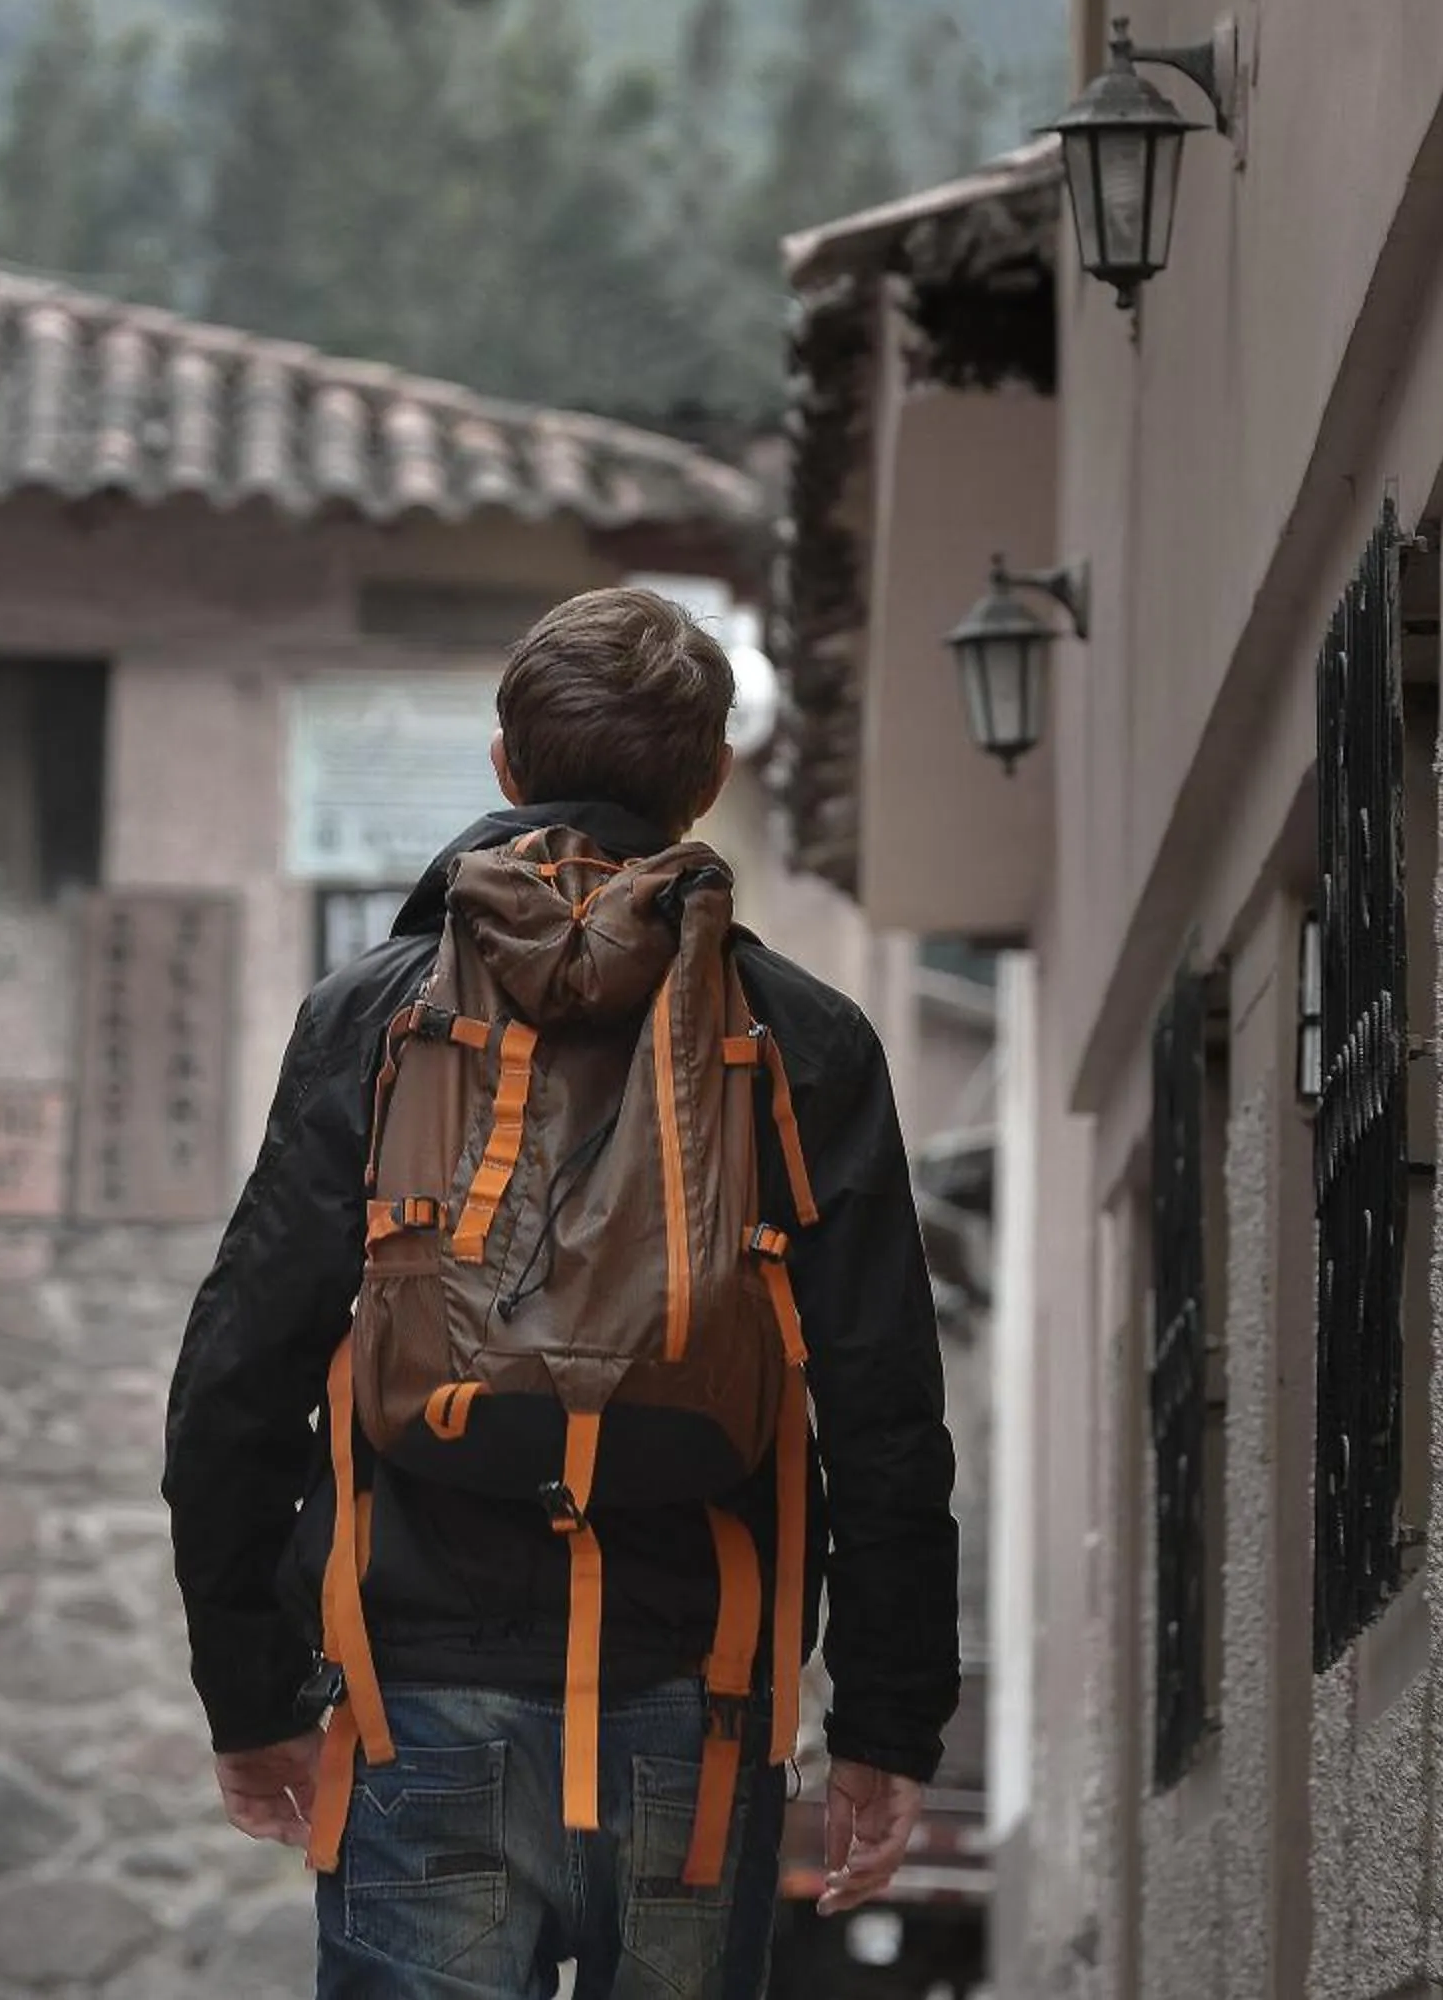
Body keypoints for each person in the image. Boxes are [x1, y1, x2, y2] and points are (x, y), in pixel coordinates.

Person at [165, 586, 959, 1998]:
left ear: (505, 768)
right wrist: (889, 1725)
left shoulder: (375, 1017)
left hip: (420, 1703)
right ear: (711, 778)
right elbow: (886, 1409)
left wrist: (253, 1695)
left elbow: (239, 1373)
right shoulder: (804, 1042)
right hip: (700, 1714)